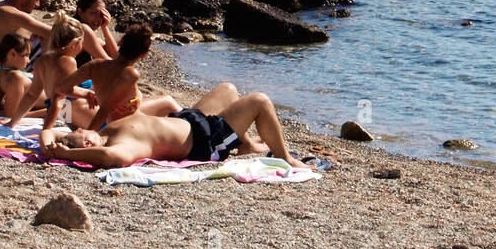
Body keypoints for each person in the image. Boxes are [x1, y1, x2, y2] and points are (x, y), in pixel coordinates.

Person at [40, 90, 306, 168]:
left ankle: (246, 144)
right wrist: (65, 155)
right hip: (206, 141)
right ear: (88, 145)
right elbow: (113, 159)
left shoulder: (106, 131)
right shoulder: (116, 147)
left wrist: (50, 145)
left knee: (228, 90)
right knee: (259, 101)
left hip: (190, 119)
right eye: (84, 133)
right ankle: (286, 158)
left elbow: (51, 132)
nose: (86, 129)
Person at [4, 13, 99, 130]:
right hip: (74, 108)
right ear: (76, 43)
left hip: (62, 112)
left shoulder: (42, 61)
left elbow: (32, 95)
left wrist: (13, 122)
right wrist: (87, 93)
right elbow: (65, 91)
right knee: (115, 126)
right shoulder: (68, 61)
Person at [0, 31, 40, 117]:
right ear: (12, 54)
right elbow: (7, 112)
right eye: (26, 55)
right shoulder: (14, 77)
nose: (28, 60)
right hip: (57, 103)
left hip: (59, 104)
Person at [74, 0, 119, 66]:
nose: (98, 19)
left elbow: (115, 55)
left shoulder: (91, 38)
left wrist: (104, 27)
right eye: (93, 13)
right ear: (80, 12)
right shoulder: (81, 32)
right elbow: (113, 65)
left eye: (101, 14)